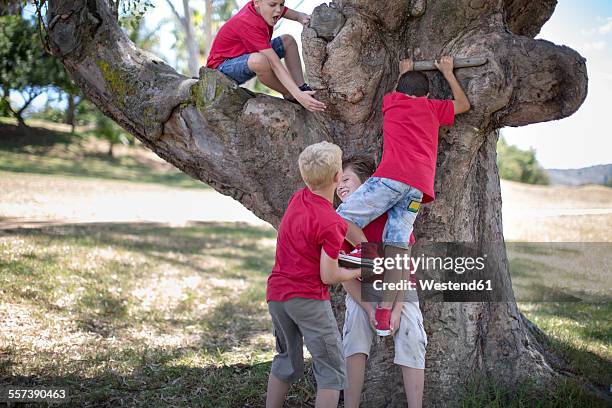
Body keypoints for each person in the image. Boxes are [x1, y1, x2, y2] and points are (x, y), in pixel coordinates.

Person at [336, 56, 471, 335]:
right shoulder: (433, 108)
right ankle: (385, 313)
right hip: (418, 188)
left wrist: (404, 70)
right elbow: (464, 105)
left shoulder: (392, 102)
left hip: (391, 178)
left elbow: (401, 88)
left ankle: (365, 253)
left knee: (338, 218)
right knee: (398, 246)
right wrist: (447, 72)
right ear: (428, 95)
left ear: (399, 89)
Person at [265, 141, 361, 408]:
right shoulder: (330, 224)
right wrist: (357, 269)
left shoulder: (299, 198)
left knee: (286, 360)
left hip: (277, 296)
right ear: (336, 177)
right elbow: (328, 275)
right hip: (307, 299)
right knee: (331, 370)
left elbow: (317, 224)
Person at [335, 154, 426, 408]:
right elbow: (343, 274)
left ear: (368, 185)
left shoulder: (393, 215)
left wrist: (394, 309)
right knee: (354, 334)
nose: (340, 186)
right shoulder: (340, 222)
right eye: (336, 183)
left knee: (412, 336)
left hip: (399, 288)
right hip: (362, 289)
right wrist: (369, 308)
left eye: (346, 179)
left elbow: (401, 267)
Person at [205, 0, 325, 112]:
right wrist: (297, 95)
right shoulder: (248, 22)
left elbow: (287, 12)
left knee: (288, 41)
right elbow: (275, 64)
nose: (278, 10)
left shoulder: (266, 7)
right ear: (257, 2)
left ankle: (302, 88)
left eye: (281, 4)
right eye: (273, 5)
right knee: (260, 61)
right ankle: (290, 94)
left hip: (245, 57)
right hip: (222, 68)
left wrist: (300, 17)